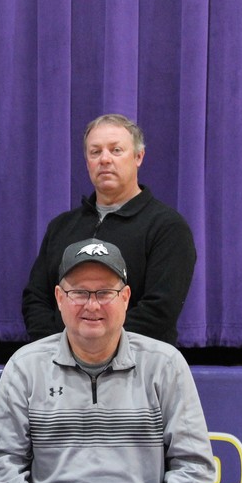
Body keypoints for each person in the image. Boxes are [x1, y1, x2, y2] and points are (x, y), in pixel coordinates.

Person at [0, 239, 214, 483]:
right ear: (59, 298)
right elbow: (2, 465)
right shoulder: (25, 368)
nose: (92, 306)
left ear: (126, 298)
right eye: (79, 293)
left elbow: (194, 466)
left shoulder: (165, 365)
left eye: (105, 293)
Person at [22, 114, 195, 345]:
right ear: (87, 162)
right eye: (95, 152)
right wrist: (62, 350)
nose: (104, 159)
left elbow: (158, 311)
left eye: (116, 150)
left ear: (138, 157)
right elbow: (36, 300)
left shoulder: (168, 228)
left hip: (137, 367)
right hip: (59, 363)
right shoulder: (61, 227)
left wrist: (94, 349)